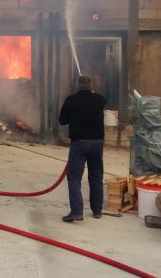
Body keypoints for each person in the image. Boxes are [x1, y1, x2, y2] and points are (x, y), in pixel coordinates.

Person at [58, 75, 107, 222]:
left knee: (74, 178)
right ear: (91, 86)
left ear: (77, 85)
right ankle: (97, 210)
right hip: (97, 144)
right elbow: (102, 101)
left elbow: (62, 120)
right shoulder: (99, 99)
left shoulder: (71, 100)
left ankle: (77, 212)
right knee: (96, 176)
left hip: (79, 144)